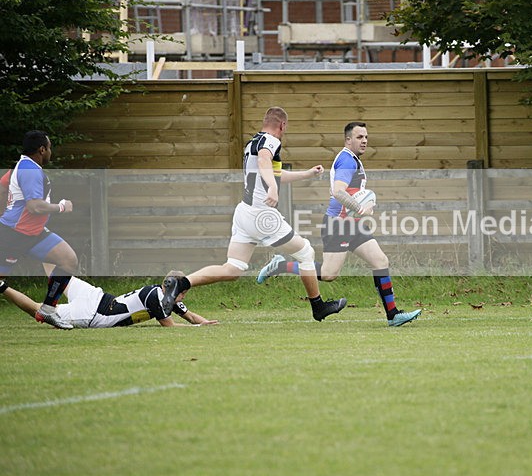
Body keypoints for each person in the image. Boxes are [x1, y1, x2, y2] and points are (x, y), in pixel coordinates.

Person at [162, 106, 347, 322]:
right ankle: (318, 307)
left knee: (232, 269)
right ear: (282, 125)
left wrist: (306, 174)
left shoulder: (253, 142)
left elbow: (272, 172)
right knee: (305, 252)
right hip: (262, 215)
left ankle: (181, 283)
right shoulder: (271, 141)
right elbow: (264, 162)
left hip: (244, 213)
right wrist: (273, 188)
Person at [257, 121, 421, 327]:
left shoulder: (353, 159)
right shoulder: (347, 161)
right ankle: (281, 265)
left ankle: (393, 315)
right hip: (339, 225)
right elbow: (338, 191)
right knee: (328, 274)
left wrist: (366, 203)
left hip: (353, 224)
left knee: (380, 261)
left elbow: (353, 192)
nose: (364, 141)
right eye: (359, 137)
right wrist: (361, 208)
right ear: (348, 140)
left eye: (366, 137)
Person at [0, 131, 79, 329]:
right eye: (49, 147)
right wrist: (61, 206)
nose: (50, 151)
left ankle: (48, 310)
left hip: (34, 233)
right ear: (42, 149)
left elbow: (2, 187)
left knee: (68, 260)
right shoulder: (30, 170)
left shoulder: (24, 166)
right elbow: (34, 206)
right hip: (14, 235)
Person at [0, 273, 217, 328]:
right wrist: (196, 329)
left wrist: (203, 322)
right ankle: (2, 286)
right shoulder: (156, 298)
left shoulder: (164, 295)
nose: (183, 296)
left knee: (62, 271)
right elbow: (169, 326)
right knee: (39, 311)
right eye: (182, 292)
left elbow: (188, 316)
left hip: (98, 296)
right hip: (94, 315)